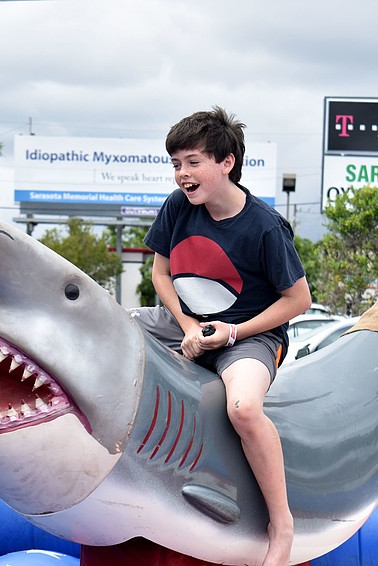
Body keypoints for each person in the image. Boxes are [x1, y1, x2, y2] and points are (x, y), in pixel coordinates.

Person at [131, 106, 312, 566]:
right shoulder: (177, 207)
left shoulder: (266, 226)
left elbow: (298, 301)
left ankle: (282, 525)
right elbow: (160, 272)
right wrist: (189, 327)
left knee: (244, 408)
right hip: (186, 321)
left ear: (226, 162)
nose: (181, 175)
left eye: (192, 162)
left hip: (251, 333)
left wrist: (231, 333)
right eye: (175, 164)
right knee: (105, 325)